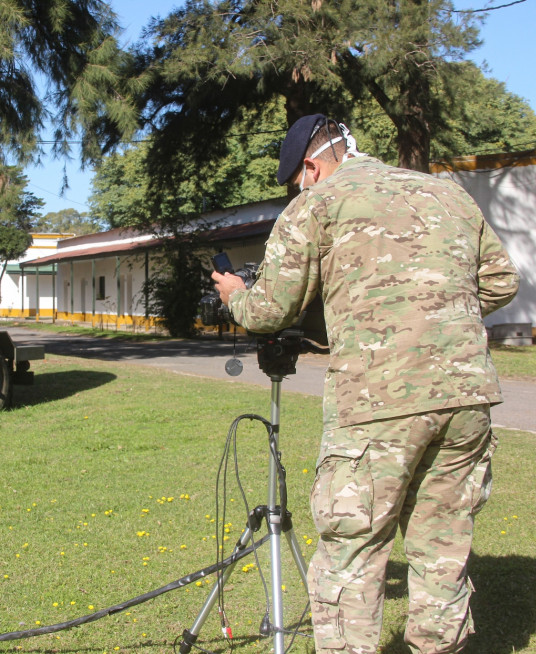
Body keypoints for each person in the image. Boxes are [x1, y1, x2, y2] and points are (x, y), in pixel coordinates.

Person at [210, 115, 519, 654]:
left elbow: (269, 308)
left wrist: (234, 292)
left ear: (311, 166)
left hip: (378, 404)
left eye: (298, 180)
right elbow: (499, 282)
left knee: (351, 552)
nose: (299, 189)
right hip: (468, 397)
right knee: (442, 549)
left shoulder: (317, 203)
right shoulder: (447, 194)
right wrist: (431, 316)